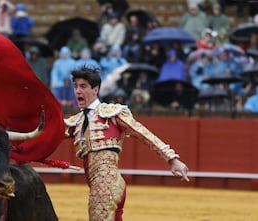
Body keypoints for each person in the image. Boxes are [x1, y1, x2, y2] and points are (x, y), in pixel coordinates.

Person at [64, 67, 190, 221]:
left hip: (107, 183)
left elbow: (143, 133)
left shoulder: (111, 113)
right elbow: (50, 136)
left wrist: (172, 158)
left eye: (83, 86)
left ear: (95, 90)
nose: (78, 91)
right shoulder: (76, 121)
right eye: (75, 86)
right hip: (99, 183)